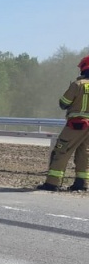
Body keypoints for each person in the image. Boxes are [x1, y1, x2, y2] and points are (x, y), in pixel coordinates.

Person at [38, 55, 89, 192]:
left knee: (61, 151)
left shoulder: (77, 85)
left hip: (76, 125)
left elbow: (63, 103)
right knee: (83, 153)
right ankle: (81, 183)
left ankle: (52, 183)